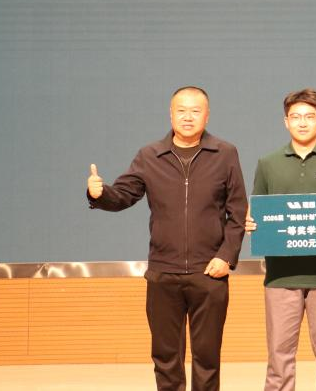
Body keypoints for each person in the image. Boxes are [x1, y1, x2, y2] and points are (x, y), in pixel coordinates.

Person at [86, 86, 247, 391]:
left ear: (207, 116)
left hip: (209, 273)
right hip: (162, 273)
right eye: (181, 110)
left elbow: (238, 211)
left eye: (195, 111)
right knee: (165, 357)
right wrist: (99, 194)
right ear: (170, 114)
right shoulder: (150, 155)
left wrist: (226, 256)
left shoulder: (225, 153)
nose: (188, 117)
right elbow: (123, 195)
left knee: (207, 358)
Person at [250, 88, 316, 391]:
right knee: (279, 358)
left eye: (309, 116)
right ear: (285, 121)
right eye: (295, 116)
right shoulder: (268, 163)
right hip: (280, 276)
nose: (302, 122)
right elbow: (257, 209)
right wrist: (252, 222)